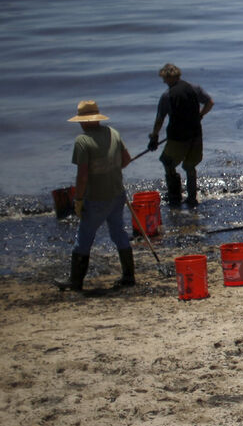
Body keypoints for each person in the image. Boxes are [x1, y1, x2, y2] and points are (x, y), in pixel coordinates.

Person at [55, 101, 134, 291]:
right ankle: (129, 276)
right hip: (117, 193)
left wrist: (79, 199)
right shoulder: (113, 133)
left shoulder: (82, 141)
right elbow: (126, 159)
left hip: (97, 197)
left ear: (83, 121)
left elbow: (82, 176)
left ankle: (75, 281)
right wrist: (110, 170)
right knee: (119, 233)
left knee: (84, 237)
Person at [148, 64, 213, 207]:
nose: (164, 82)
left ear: (169, 78)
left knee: (167, 162)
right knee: (190, 166)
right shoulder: (195, 89)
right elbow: (210, 102)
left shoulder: (167, 96)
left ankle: (175, 195)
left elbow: (160, 119)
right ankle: (191, 198)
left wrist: (154, 137)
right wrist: (200, 115)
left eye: (164, 79)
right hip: (196, 134)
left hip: (177, 138)